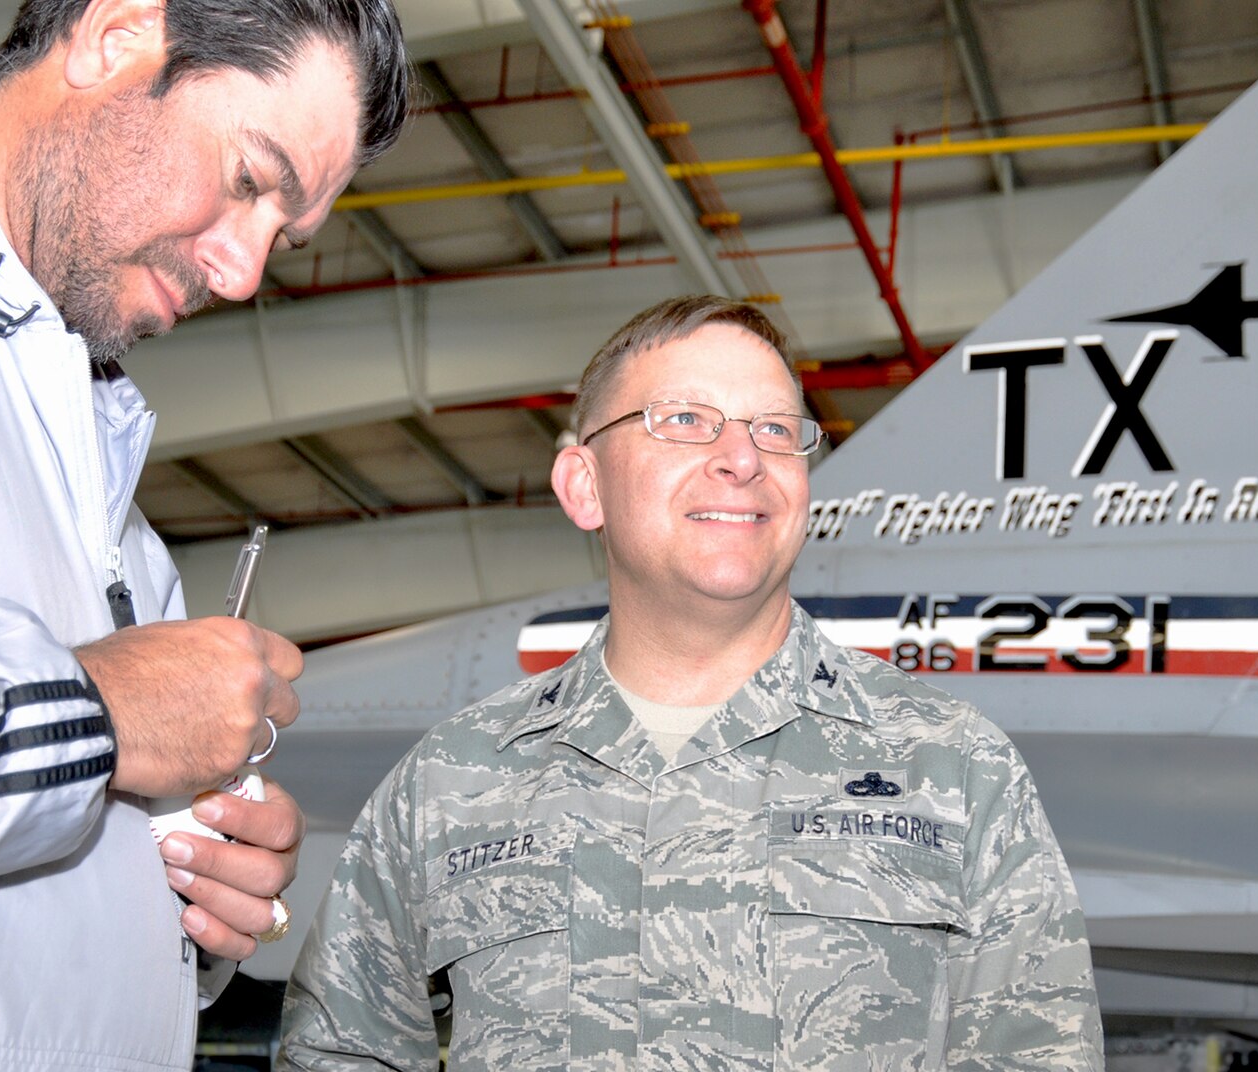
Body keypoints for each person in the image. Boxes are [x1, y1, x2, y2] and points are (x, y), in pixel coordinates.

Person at [0, 0, 411, 1067]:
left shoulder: (117, 527)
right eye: (250, 180)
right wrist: (96, 708)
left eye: (280, 238)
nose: (244, 273)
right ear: (115, 37)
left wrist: (188, 891)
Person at [281, 296, 1103, 1070]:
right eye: (684, 420)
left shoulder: (952, 767)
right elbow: (342, 1049)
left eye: (776, 430)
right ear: (583, 486)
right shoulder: (449, 783)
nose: (742, 458)